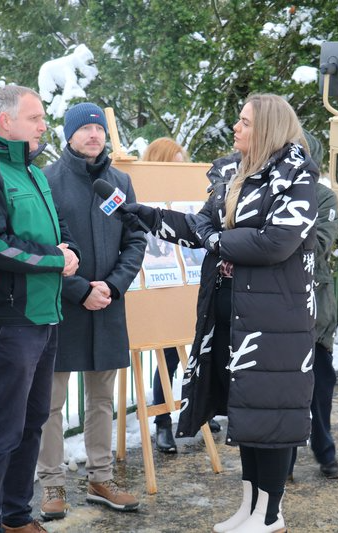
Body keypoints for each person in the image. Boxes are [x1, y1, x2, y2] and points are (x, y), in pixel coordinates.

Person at [119, 94, 318, 533]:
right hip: (232, 318)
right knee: (246, 413)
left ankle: (271, 515)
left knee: (271, 415)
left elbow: (275, 243)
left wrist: (219, 240)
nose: (235, 128)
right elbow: (199, 225)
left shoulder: (297, 176)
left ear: (265, 128)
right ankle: (250, 505)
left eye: (244, 122)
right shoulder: (234, 174)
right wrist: (147, 217)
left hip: (276, 323)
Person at [0, 85, 80, 533]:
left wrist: (68, 250)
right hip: (8, 320)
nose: (44, 125)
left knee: (32, 422)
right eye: (35, 118)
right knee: (2, 428)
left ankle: (16, 515)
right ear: (6, 122)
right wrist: (54, 259)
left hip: (45, 316)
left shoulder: (33, 171)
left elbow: (57, 227)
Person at [37, 102, 146, 519]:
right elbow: (43, 249)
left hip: (107, 306)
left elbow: (136, 239)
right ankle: (52, 484)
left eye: (98, 128)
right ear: (68, 135)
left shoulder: (120, 182)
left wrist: (113, 286)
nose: (93, 135)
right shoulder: (46, 182)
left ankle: (101, 478)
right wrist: (79, 289)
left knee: (102, 400)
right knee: (50, 402)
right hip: (62, 306)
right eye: (84, 129)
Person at [141, 137, 221, 454]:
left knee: (201, 351)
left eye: (182, 162)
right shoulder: (147, 194)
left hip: (194, 281)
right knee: (168, 359)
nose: (179, 169)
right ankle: (162, 422)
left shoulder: (193, 195)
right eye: (173, 163)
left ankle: (202, 410)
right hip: (162, 285)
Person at [289, 132, 338, 480]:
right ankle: (285, 460)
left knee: (320, 387)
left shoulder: (323, 197)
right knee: (285, 390)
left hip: (315, 310)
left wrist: (277, 238)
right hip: (277, 307)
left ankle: (324, 450)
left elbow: (320, 242)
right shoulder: (271, 194)